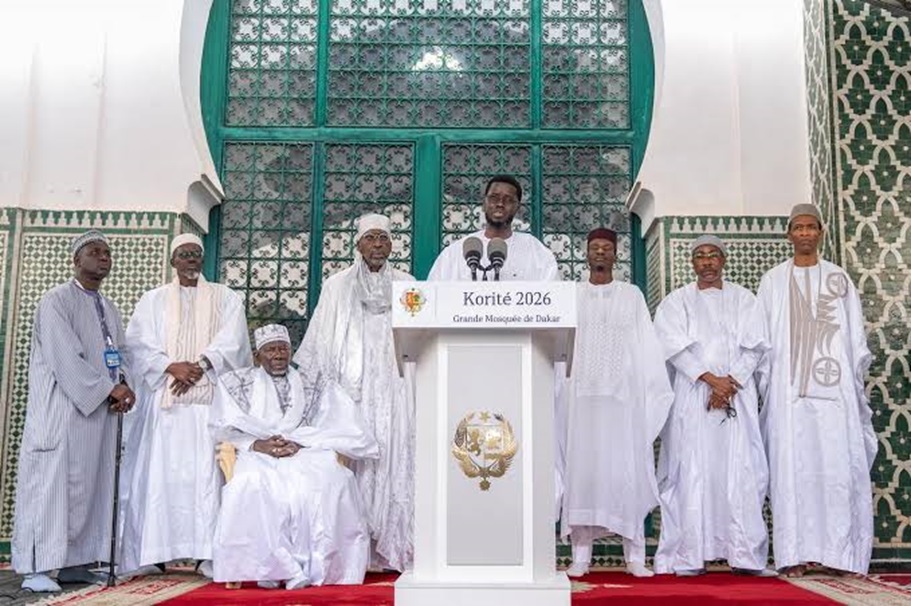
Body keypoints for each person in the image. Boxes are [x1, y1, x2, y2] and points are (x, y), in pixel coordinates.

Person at [120, 234, 252, 576]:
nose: (191, 259)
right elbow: (136, 342)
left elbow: (234, 339)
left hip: (209, 405)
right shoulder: (153, 300)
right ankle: (153, 552)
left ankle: (209, 552)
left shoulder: (226, 297)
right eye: (184, 254)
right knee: (159, 476)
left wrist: (201, 364)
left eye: (196, 254)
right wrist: (170, 366)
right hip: (165, 404)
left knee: (207, 476)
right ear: (173, 261)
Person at [12, 230, 136, 592]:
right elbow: (66, 357)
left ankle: (75, 564)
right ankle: (37, 568)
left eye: (107, 253)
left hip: (98, 413)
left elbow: (122, 353)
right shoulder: (56, 301)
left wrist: (125, 385)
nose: (104, 258)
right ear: (76, 260)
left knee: (89, 488)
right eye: (95, 252)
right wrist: (108, 388)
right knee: (52, 488)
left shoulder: (108, 307)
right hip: (63, 412)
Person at [756, 204, 875, 577]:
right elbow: (760, 339)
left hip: (834, 398)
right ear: (788, 234)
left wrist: (853, 387)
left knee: (836, 470)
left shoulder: (839, 279)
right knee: (792, 472)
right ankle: (792, 555)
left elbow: (855, 338)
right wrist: (768, 383)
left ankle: (840, 555)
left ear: (821, 232)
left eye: (811, 227)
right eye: (798, 228)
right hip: (787, 397)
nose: (805, 234)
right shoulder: (772, 281)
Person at [211, 324, 379, 589]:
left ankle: (314, 569)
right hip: (257, 452)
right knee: (253, 484)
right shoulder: (235, 383)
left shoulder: (314, 381)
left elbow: (334, 422)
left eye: (283, 349)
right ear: (257, 356)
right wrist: (258, 444)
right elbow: (224, 426)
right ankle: (276, 568)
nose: (278, 355)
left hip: (304, 449)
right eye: (271, 350)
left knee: (331, 480)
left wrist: (300, 441)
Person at [293, 213, 415, 571]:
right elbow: (319, 338)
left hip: (394, 386)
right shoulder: (337, 285)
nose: (378, 245)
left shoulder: (408, 285)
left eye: (384, 239)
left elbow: (419, 335)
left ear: (392, 245)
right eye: (371, 238)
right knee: (352, 463)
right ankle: (351, 550)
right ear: (358, 244)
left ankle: (390, 547)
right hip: (351, 389)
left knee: (394, 457)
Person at [653, 235, 774, 577]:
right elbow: (673, 348)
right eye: (700, 256)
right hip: (694, 399)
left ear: (723, 260)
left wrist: (728, 384)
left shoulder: (745, 299)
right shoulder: (677, 302)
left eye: (713, 256)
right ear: (692, 263)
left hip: (736, 396)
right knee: (691, 470)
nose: (706, 262)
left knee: (743, 473)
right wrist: (711, 380)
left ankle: (745, 557)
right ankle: (690, 556)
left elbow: (755, 348)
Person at [558, 227, 673, 578]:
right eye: (595, 248)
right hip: (581, 403)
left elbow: (646, 348)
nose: (601, 254)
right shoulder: (572, 295)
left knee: (626, 473)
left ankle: (635, 556)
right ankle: (581, 555)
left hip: (622, 404)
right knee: (584, 475)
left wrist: (646, 396)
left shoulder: (632, 295)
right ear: (587, 253)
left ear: (616, 254)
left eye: (607, 248)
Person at [427, 175, 559, 281]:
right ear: (484, 204)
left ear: (517, 208)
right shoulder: (455, 253)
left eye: (508, 200)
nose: (500, 204)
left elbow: (553, 297)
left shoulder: (536, 252)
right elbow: (434, 297)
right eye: (494, 198)